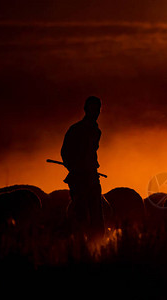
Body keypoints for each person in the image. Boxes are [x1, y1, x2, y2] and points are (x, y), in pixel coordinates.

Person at [61, 96, 104, 240]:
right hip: (80, 178)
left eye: (98, 109)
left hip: (91, 176)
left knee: (96, 213)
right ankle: (80, 244)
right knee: (81, 214)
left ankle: (96, 245)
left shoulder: (96, 131)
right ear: (86, 109)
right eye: (93, 109)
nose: (96, 112)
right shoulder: (76, 130)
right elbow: (65, 152)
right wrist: (75, 168)